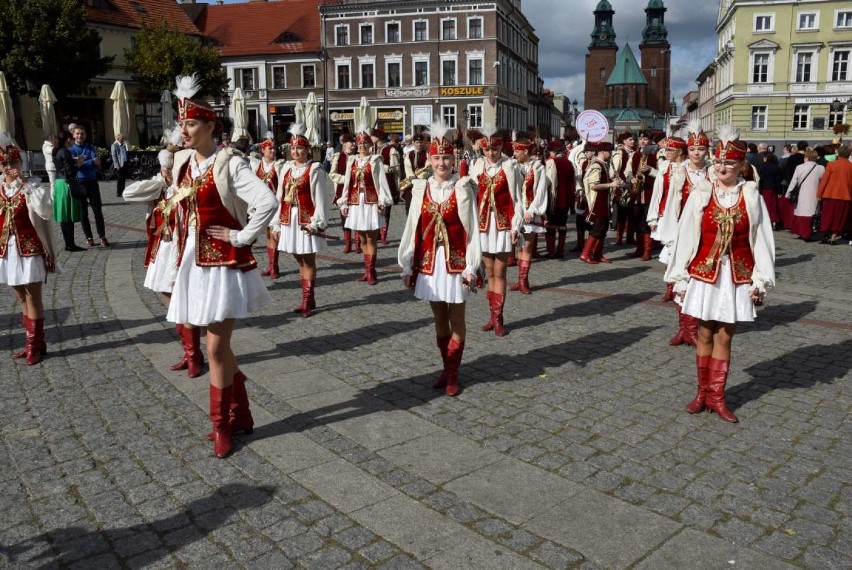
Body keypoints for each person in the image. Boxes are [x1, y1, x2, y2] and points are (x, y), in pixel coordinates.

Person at [166, 75, 278, 458]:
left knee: (214, 347)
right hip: (194, 262)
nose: (184, 130)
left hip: (224, 265)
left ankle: (220, 426)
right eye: (181, 124)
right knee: (221, 348)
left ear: (211, 126)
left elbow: (266, 202)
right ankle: (240, 413)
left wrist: (242, 236)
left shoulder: (230, 164)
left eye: (191, 124)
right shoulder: (183, 163)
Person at [664, 126, 775, 423]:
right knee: (703, 332)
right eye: (719, 163)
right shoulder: (702, 193)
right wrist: (681, 277)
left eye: (729, 163)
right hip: (703, 272)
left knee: (724, 337)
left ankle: (717, 395)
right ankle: (701, 392)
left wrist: (760, 279)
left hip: (736, 276)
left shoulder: (751, 197)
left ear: (741, 166)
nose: (723, 168)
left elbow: (761, 240)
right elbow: (687, 235)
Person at [398, 122, 481, 396]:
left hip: (456, 264)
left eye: (446, 157)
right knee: (438, 319)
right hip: (430, 264)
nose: (442, 162)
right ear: (429, 159)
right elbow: (413, 229)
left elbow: (472, 232)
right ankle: (446, 367)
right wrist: (407, 263)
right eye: (437, 158)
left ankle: (454, 373)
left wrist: (472, 266)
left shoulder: (463, 188)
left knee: (457, 318)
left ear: (453, 158)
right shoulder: (421, 189)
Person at [1, 139, 59, 365]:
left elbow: (46, 210)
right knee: (20, 297)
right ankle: (36, 342)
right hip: (7, 251)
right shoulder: (0, 188)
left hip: (30, 249)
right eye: (5, 164)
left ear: (21, 161)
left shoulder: (31, 186)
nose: (9, 167)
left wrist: (25, 184)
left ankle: (33, 346)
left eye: (13, 162)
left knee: (33, 298)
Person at [656, 120, 711, 345]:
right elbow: (672, 203)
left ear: (707, 150)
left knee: (702, 280)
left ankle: (696, 327)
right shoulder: (680, 172)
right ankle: (685, 329)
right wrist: (669, 233)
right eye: (692, 149)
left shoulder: (713, 172)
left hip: (707, 232)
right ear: (686, 150)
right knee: (682, 277)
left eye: (700, 149)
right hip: (683, 231)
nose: (696, 153)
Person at [271, 124, 331, 317]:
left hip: (306, 220)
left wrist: (317, 223)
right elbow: (280, 197)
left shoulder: (314, 170)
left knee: (308, 259)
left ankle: (307, 298)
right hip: (290, 219)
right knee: (298, 258)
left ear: (307, 150)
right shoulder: (286, 169)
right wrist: (276, 222)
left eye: (299, 148)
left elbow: (320, 199)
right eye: (293, 148)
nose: (295, 151)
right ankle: (308, 297)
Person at [470, 126, 522, 336]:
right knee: (489, 272)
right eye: (487, 149)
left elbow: (517, 199)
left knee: (500, 272)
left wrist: (515, 225)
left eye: (495, 149)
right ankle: (491, 317)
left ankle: (499, 319)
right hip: (483, 225)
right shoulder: (476, 167)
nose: (491, 153)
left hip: (502, 226)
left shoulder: (510, 167)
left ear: (501, 147)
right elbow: (470, 197)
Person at [338, 123, 393, 285]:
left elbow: (381, 182)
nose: (362, 146)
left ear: (370, 145)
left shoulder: (375, 161)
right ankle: (367, 269)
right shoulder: (352, 161)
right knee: (361, 238)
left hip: (371, 202)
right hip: (356, 202)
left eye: (366, 143)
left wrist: (383, 200)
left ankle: (372, 271)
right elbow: (348, 182)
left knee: (371, 238)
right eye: (360, 143)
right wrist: (344, 202)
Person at [510, 136, 547, 294]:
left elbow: (540, 190)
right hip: (517, 212)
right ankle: (519, 280)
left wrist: (532, 210)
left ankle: (524, 280)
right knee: (518, 246)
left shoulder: (538, 167)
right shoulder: (513, 167)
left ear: (525, 151)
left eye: (517, 151)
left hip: (531, 212)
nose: (514, 154)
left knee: (527, 246)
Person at [70, 126, 109, 247]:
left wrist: (83, 162)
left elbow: (96, 161)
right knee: (83, 213)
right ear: (73, 135)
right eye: (77, 134)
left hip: (92, 182)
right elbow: (75, 165)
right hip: (79, 183)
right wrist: (89, 162)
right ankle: (89, 237)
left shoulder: (90, 147)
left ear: (85, 135)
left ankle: (102, 236)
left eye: (82, 134)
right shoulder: (71, 150)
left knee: (98, 211)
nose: (80, 136)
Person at [249, 138, 282, 279]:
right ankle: (270, 265)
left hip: (274, 204)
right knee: (267, 234)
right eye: (270, 149)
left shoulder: (279, 166)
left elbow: (281, 187)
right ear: (263, 151)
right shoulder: (256, 166)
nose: (273, 151)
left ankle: (274, 267)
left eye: (274, 149)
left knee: (274, 234)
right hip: (261, 205)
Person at [581, 141, 618, 264]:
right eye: (609, 151)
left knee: (603, 229)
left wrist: (612, 180)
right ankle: (586, 253)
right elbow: (594, 186)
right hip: (597, 203)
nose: (611, 154)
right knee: (597, 229)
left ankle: (598, 254)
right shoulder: (596, 165)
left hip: (604, 202)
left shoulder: (603, 164)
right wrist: (611, 184)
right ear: (603, 151)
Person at [628, 130, 659, 260]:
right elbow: (628, 171)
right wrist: (631, 179)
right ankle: (639, 248)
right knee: (637, 221)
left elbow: (661, 174)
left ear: (650, 141)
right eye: (641, 139)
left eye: (645, 139)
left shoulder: (656, 154)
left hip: (649, 192)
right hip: (637, 193)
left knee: (647, 222)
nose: (642, 141)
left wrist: (651, 170)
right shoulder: (635, 154)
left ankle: (647, 250)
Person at [52, 131, 85, 251]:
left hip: (59, 183)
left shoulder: (56, 151)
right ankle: (70, 244)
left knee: (64, 216)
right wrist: (79, 164)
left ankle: (68, 243)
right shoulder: (65, 151)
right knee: (68, 217)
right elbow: (69, 171)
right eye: (72, 138)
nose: (73, 141)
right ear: (68, 139)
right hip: (66, 184)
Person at [544, 140, 575, 259]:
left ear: (552, 151)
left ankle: (551, 251)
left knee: (550, 226)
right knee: (562, 225)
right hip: (566, 199)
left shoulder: (551, 162)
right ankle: (560, 250)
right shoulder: (569, 163)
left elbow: (548, 181)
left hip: (554, 199)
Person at [816, 144, 852, 244]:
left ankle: (824, 235)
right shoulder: (851, 166)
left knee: (827, 216)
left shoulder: (831, 164)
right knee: (839, 218)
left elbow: (824, 180)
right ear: (849, 154)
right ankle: (833, 237)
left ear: (838, 153)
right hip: (845, 196)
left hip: (830, 194)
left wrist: (819, 193)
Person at [785, 148, 824, 242]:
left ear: (806, 157)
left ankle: (802, 233)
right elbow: (823, 182)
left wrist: (788, 193)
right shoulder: (821, 168)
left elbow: (793, 182)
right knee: (811, 214)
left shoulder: (799, 167)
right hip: (815, 194)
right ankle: (807, 233)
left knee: (801, 214)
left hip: (801, 194)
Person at [329, 134, 357, 253]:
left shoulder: (358, 157)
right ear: (345, 143)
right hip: (342, 191)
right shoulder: (338, 157)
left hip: (356, 190)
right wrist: (345, 179)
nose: (354, 145)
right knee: (344, 218)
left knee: (357, 216)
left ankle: (358, 243)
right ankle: (348, 244)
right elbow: (332, 174)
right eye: (351, 142)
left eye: (354, 142)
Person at [373, 128, 400, 245]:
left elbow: (396, 168)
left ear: (378, 137)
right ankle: (376, 233)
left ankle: (383, 234)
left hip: (387, 182)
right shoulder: (371, 149)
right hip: (374, 183)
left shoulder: (390, 150)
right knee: (374, 209)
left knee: (386, 209)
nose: (371, 138)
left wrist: (383, 167)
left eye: (372, 136)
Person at [611, 131, 637, 245]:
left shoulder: (635, 152)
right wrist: (621, 184)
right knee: (621, 213)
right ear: (624, 141)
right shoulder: (619, 154)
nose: (633, 141)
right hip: (622, 187)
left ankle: (630, 237)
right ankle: (619, 238)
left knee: (632, 213)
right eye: (630, 139)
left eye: (633, 139)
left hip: (633, 186)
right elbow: (614, 172)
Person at [757, 151, 782, 228]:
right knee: (773, 205)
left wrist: (759, 189)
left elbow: (761, 179)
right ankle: (774, 220)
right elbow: (778, 180)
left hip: (764, 188)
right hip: (773, 188)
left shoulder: (762, 167)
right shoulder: (776, 167)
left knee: (765, 205)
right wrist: (779, 191)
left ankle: (767, 220)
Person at [111, 133, 129, 197]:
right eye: (122, 138)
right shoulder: (114, 145)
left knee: (123, 179)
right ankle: (118, 192)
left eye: (123, 138)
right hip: (119, 164)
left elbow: (125, 154)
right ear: (118, 138)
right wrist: (117, 165)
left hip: (124, 163)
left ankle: (123, 191)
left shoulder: (123, 145)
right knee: (119, 179)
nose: (123, 139)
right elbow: (114, 156)